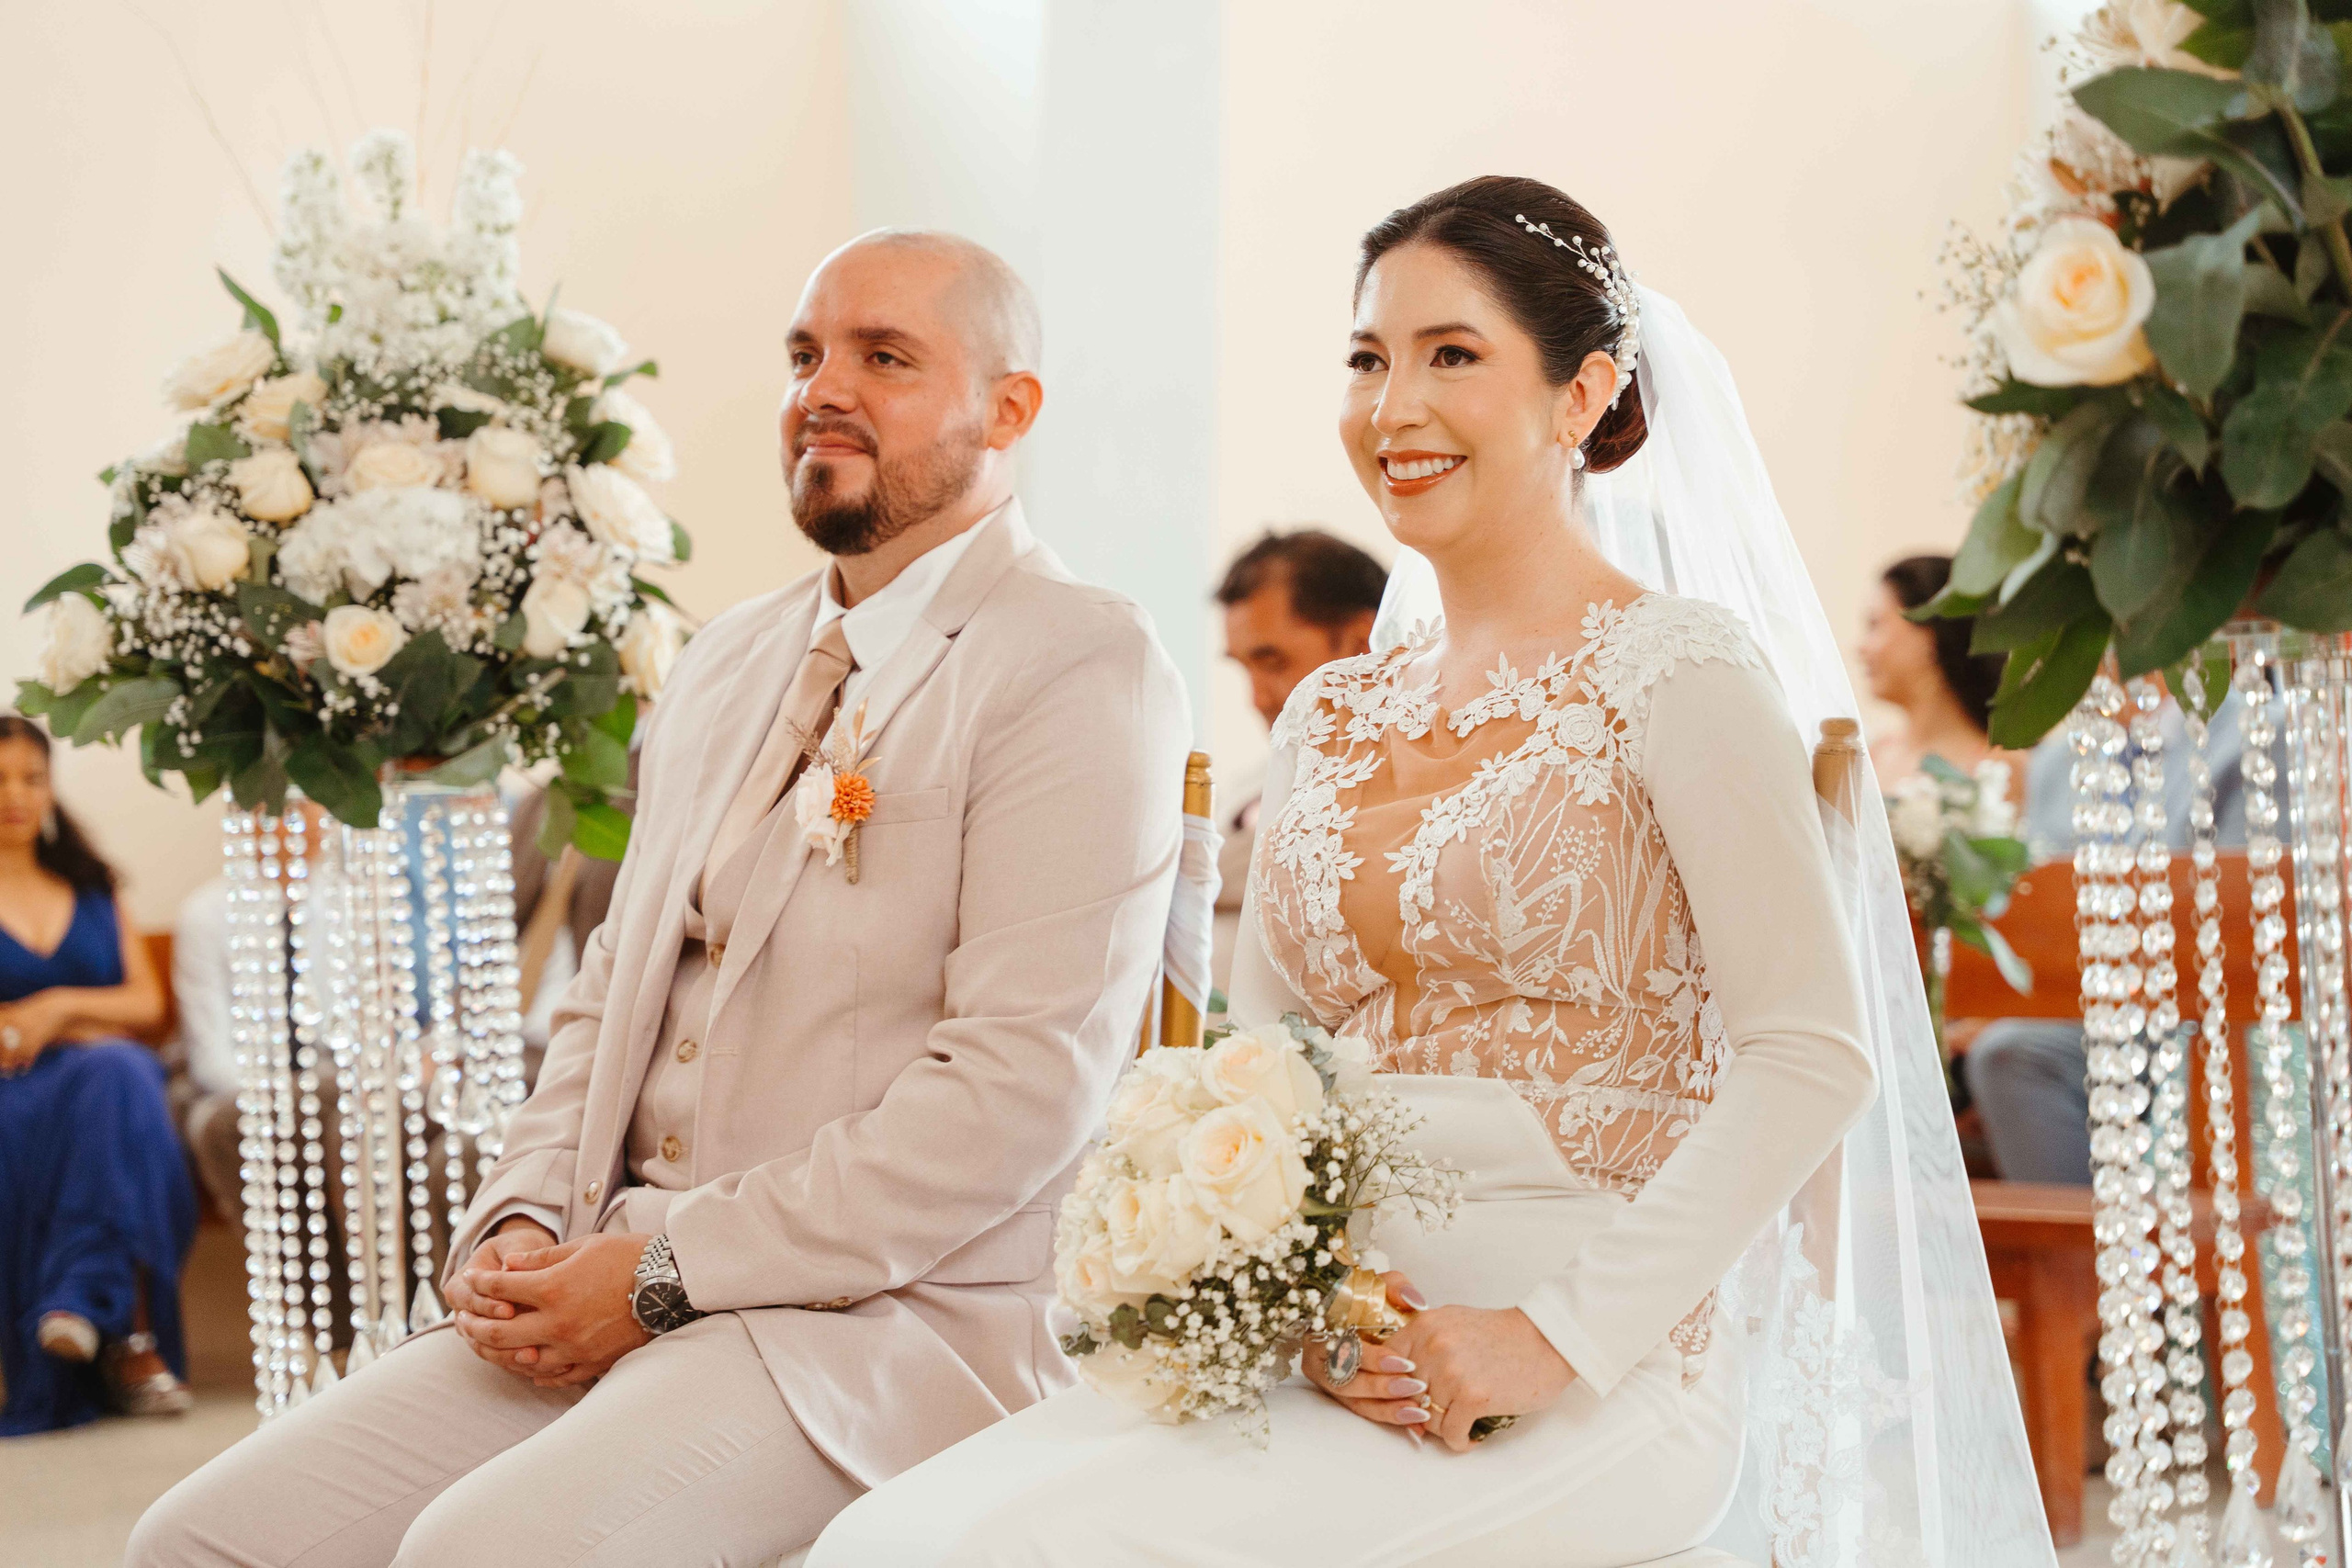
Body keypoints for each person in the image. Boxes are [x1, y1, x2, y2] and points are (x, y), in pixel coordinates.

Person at [812, 180, 2047, 1563]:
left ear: (1583, 392)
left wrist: (1553, 1337)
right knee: (893, 1535)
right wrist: (1313, 1309)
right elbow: (1265, 1071)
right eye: (1368, 359)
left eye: (1451, 354)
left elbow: (1813, 1053)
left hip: (1597, 1367)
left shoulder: (1681, 674)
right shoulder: (1333, 714)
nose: (1392, 406)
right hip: (1345, 1354)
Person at [130, 229, 1189, 1566]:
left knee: (477, 1551)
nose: (824, 388)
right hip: (609, 1261)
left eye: (885, 356)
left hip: (885, 1327)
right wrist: (519, 1216)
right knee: (201, 1536)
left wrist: (664, 1270)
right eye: (806, 355)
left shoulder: (1079, 662)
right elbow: (604, 997)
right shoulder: (725, 661)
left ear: (1011, 406)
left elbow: (1017, 1092)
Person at [0, 714, 195, 1432]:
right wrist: (74, 1022)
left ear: (52, 787)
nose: (15, 795)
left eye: (31, 777)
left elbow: (146, 1004)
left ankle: (82, 1302)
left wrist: (54, 1008)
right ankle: (124, 1337)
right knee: (119, 1079)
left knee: (119, 1074)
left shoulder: (93, 883)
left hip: (101, 1082)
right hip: (13, 1096)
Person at [1209, 529, 1387, 993]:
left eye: (1271, 662)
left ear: (1358, 644)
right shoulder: (1245, 784)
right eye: (1242, 666)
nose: (1255, 697)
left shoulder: (1414, 779)